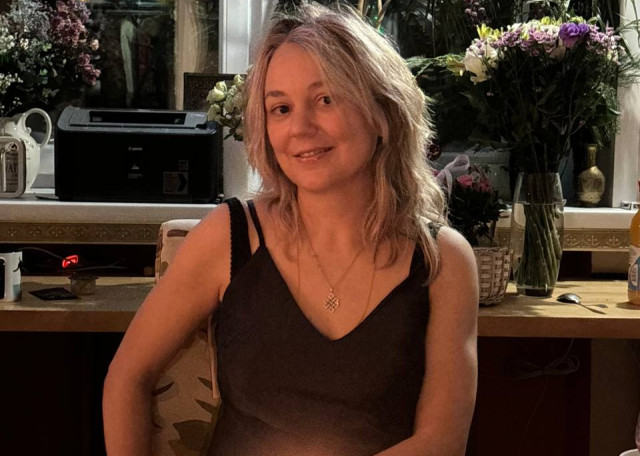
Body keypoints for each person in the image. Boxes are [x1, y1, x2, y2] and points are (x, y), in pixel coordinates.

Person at [102, 2, 478, 455]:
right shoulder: (228, 235)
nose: (300, 127)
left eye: (325, 99)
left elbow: (442, 441)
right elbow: (127, 377)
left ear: (383, 111)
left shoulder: (445, 260)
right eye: (280, 108)